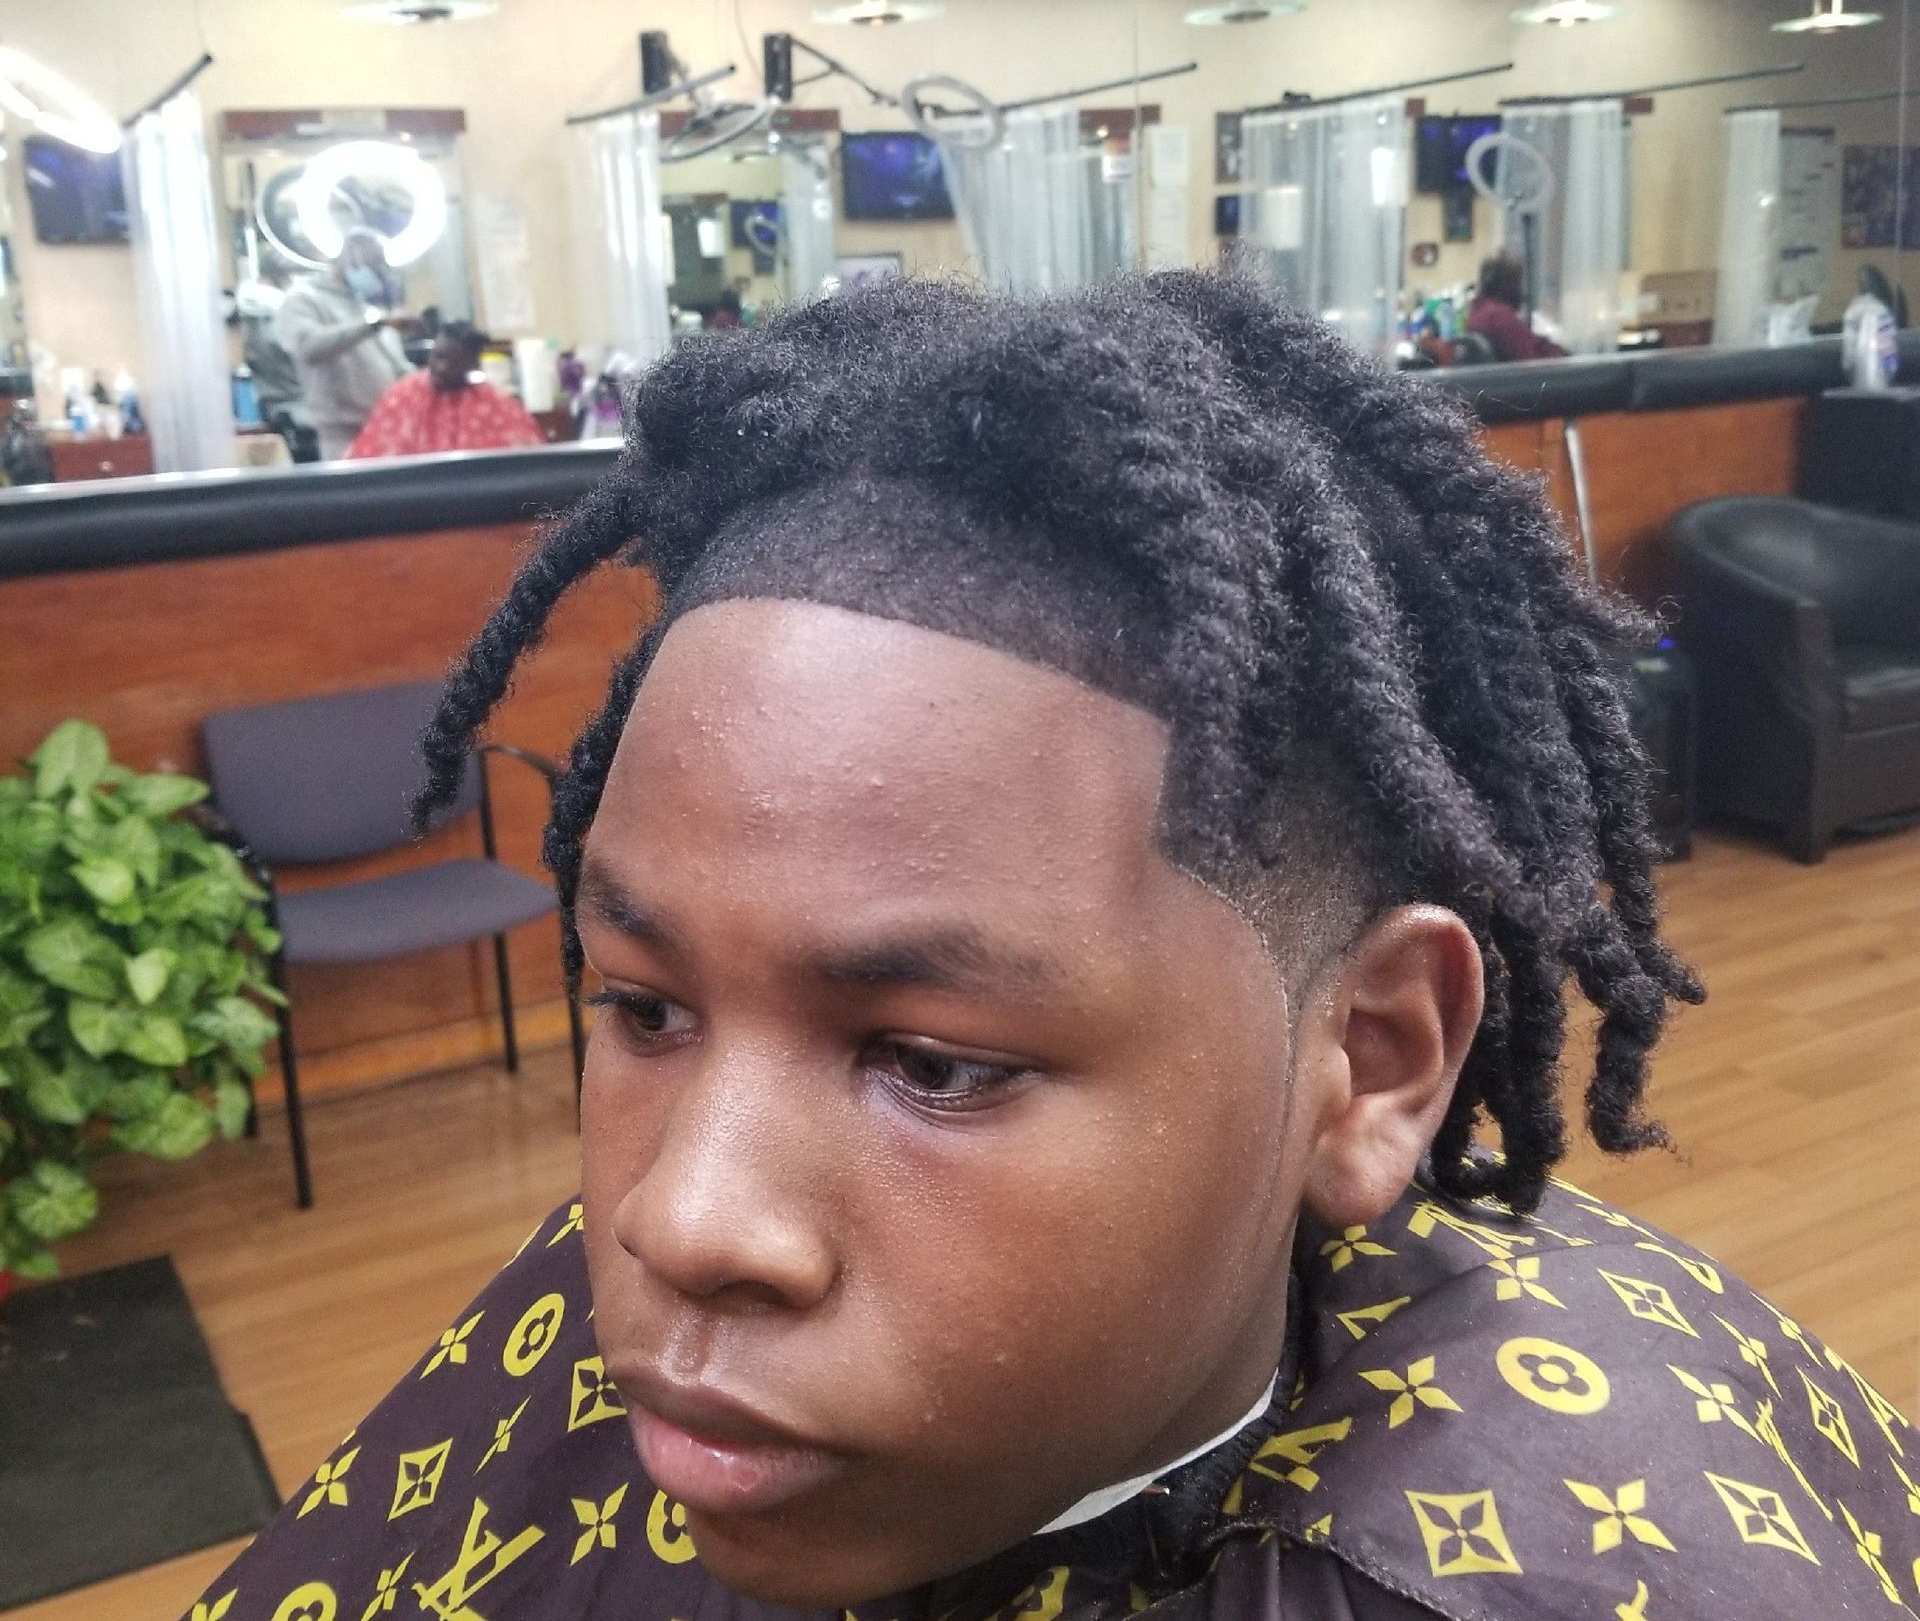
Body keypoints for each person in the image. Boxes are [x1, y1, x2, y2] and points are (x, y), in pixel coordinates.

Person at [193, 274, 1912, 1621]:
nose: (675, 1219)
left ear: (1376, 1058)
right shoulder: (608, 1368)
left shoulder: (1617, 1539)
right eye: (647, 1008)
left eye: (933, 1063)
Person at [275, 228, 412, 458]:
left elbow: (396, 367)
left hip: (388, 428)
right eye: (376, 263)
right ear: (352, 256)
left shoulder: (368, 308)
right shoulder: (303, 300)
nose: (381, 272)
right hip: (341, 435)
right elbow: (309, 349)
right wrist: (370, 325)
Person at [343, 321, 546, 459]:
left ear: (473, 364)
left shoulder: (497, 407)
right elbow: (369, 463)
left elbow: (524, 468)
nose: (442, 367)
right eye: (438, 357)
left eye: (455, 362)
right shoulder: (401, 397)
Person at [1465, 252, 1566, 364]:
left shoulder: (1479, 311)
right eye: (1517, 283)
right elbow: (1535, 362)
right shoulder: (1499, 318)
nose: (1521, 292)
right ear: (1507, 286)